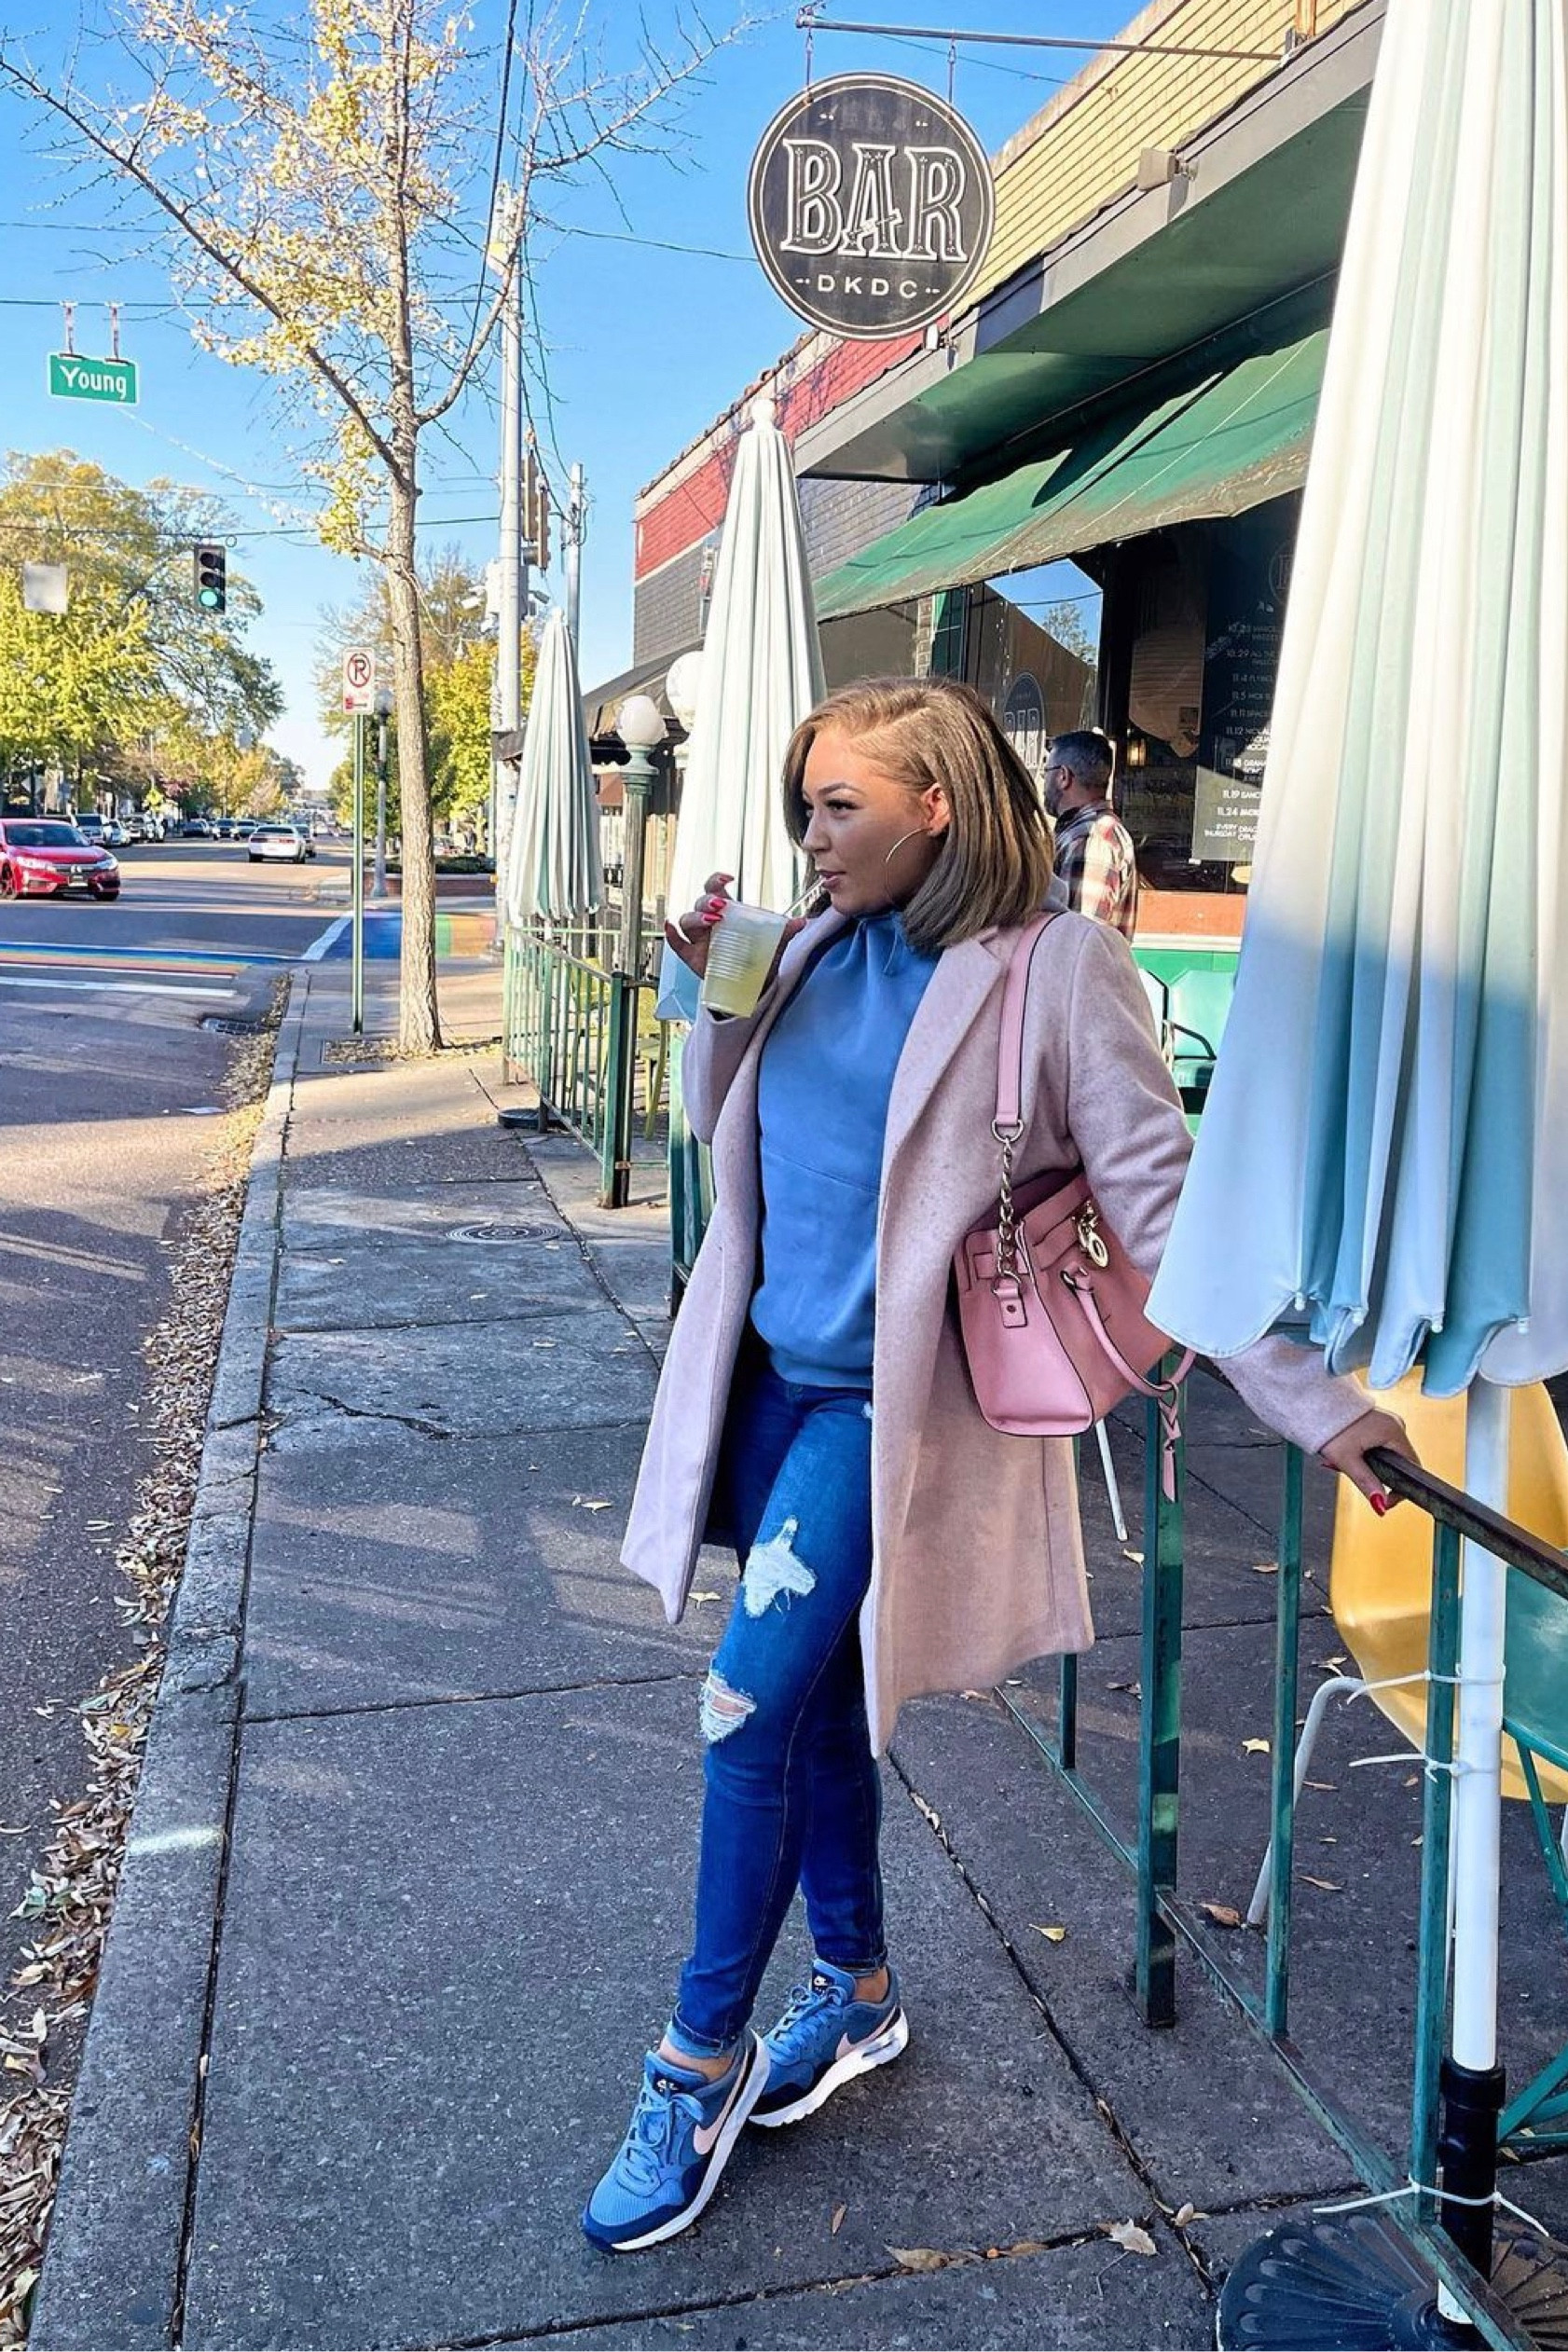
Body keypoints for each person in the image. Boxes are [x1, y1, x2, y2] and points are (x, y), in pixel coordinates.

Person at [583, 675, 1411, 2254]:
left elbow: (1169, 1223)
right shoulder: (808, 938)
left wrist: (1322, 1409)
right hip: (759, 1380)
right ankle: (861, 1992)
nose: (808, 837)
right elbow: (719, 1132)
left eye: (841, 807)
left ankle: (693, 2065)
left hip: (874, 1414)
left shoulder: (1051, 969)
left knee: (741, 1711)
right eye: (804, 805)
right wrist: (720, 995)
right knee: (815, 1705)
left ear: (937, 804)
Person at [1045, 727, 1138, 941]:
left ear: (1063, 776)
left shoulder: (1092, 838)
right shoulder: (1088, 832)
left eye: (1047, 771)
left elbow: (1079, 937)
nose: (1044, 784)